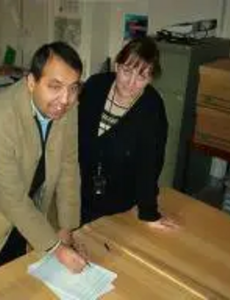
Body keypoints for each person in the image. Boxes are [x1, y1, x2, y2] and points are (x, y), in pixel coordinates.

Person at [0, 41, 87, 275]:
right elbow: (10, 198)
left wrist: (66, 227)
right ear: (31, 82)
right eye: (55, 86)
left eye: (73, 88)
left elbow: (68, 168)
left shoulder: (68, 106)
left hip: (28, 197)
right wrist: (56, 248)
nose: (65, 100)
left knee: (21, 267)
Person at [78, 36, 179, 231]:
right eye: (127, 71)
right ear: (117, 65)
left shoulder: (151, 107)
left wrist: (148, 212)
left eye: (142, 77)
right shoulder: (95, 86)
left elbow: (149, 163)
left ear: (150, 78)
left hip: (119, 203)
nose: (131, 83)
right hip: (78, 192)